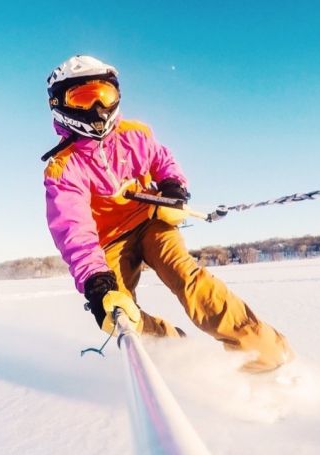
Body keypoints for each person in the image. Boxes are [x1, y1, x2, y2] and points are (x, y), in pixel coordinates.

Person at [41, 55, 294, 373]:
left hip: (150, 223)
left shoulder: (135, 133)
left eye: (103, 95)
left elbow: (163, 160)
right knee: (120, 313)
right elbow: (74, 230)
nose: (97, 108)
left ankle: (265, 354)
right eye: (82, 98)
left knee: (188, 278)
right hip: (109, 245)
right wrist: (96, 281)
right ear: (60, 105)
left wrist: (173, 186)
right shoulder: (62, 168)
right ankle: (178, 355)